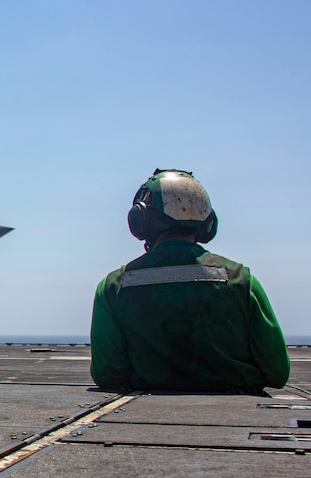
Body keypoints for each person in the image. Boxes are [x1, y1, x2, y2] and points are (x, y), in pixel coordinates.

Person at [90, 168, 289, 394]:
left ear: (140, 220)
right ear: (208, 221)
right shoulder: (242, 281)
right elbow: (277, 373)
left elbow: (107, 374)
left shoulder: (113, 287)